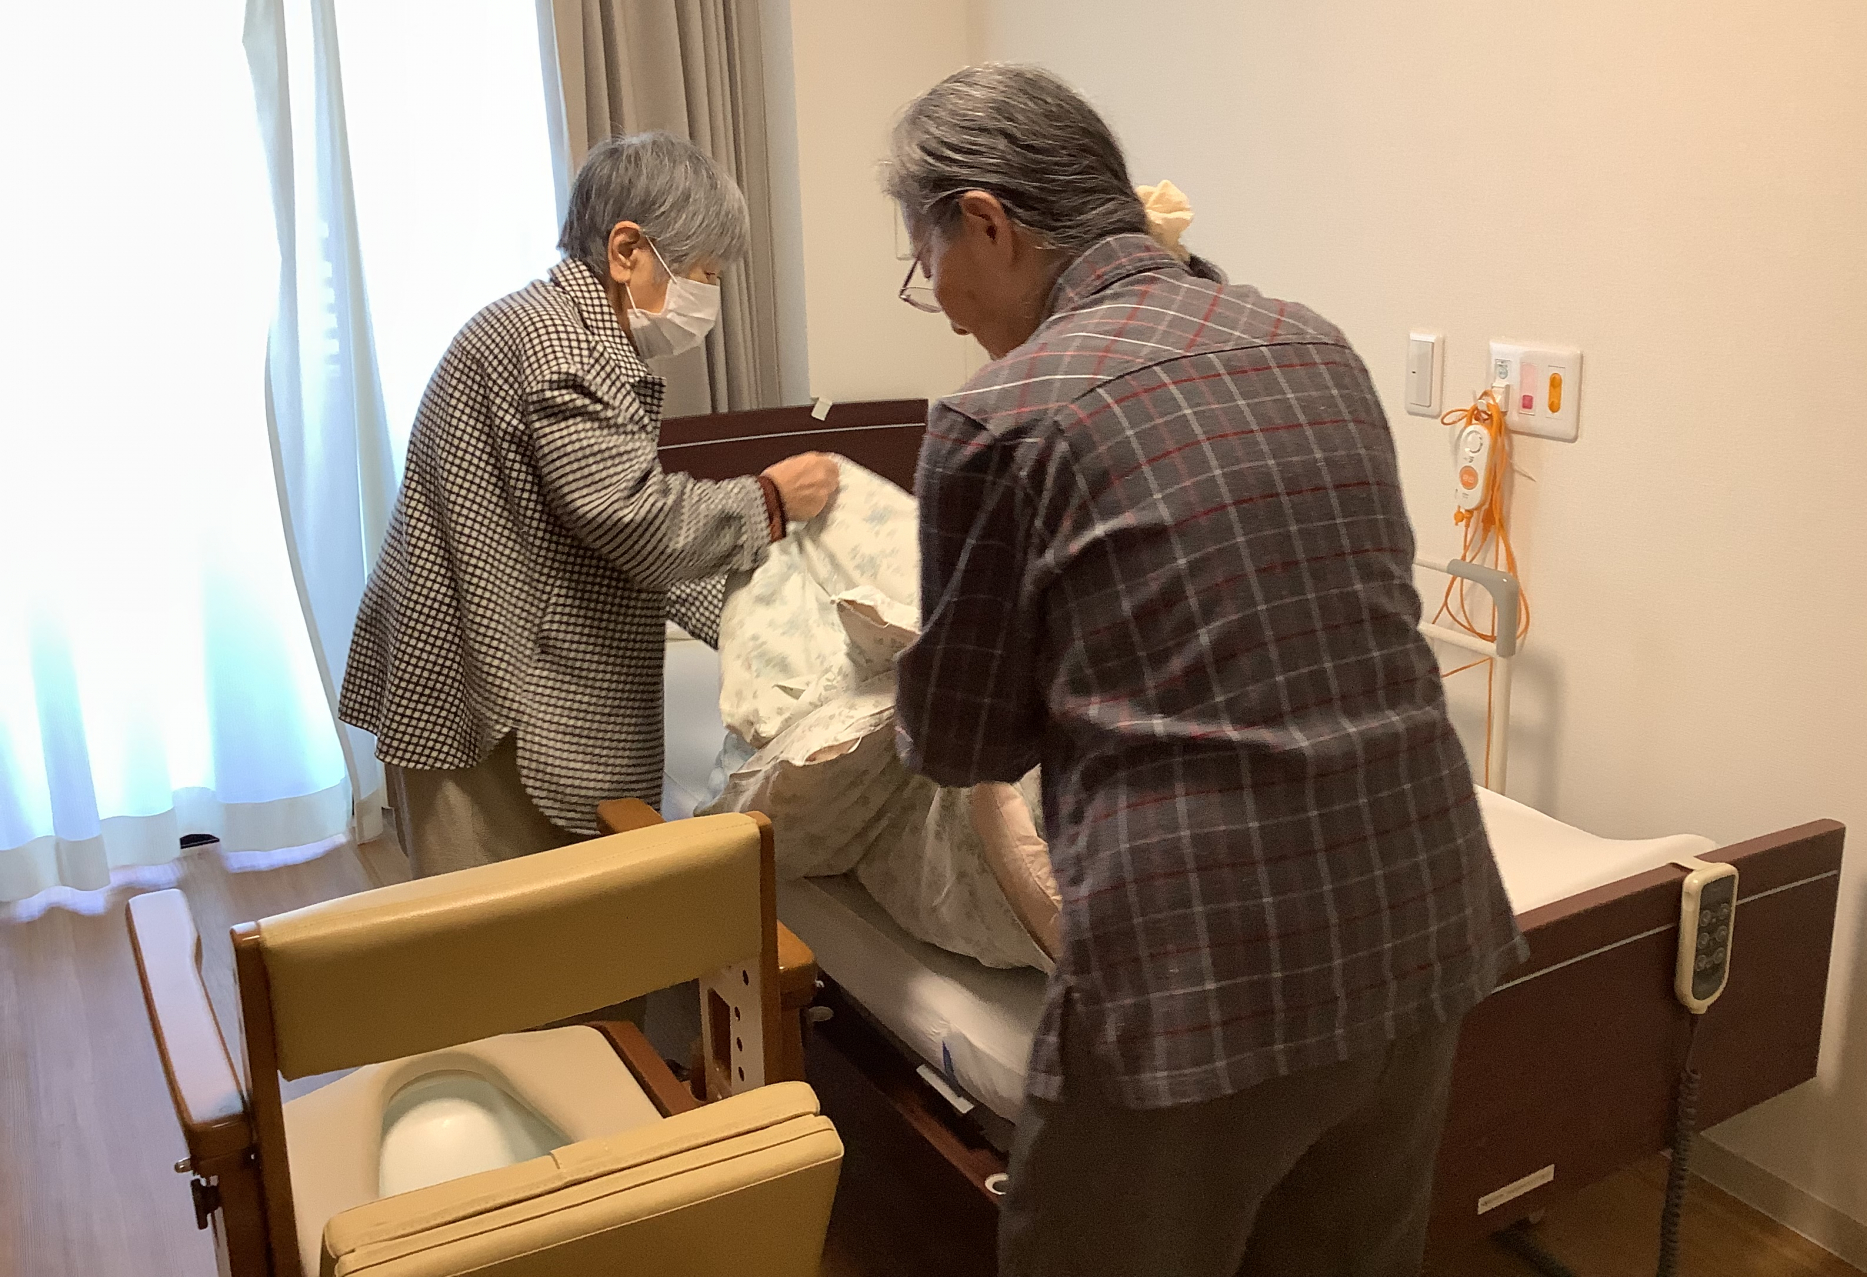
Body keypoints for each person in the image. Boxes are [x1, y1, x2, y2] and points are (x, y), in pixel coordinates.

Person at [887, 65, 1525, 1277]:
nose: (948, 308)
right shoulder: (1313, 342)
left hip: (1201, 977)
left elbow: (962, 743)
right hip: (1422, 919)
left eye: (930, 270)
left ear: (986, 221)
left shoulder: (1001, 417)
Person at [340, 132, 838, 878]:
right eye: (703, 274)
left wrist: (759, 622)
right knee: (511, 933)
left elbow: (594, 537)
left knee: (521, 930)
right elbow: (636, 523)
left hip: (476, 668)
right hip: (497, 702)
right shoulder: (564, 348)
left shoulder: (540, 325)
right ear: (627, 250)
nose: (708, 299)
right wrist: (769, 498)